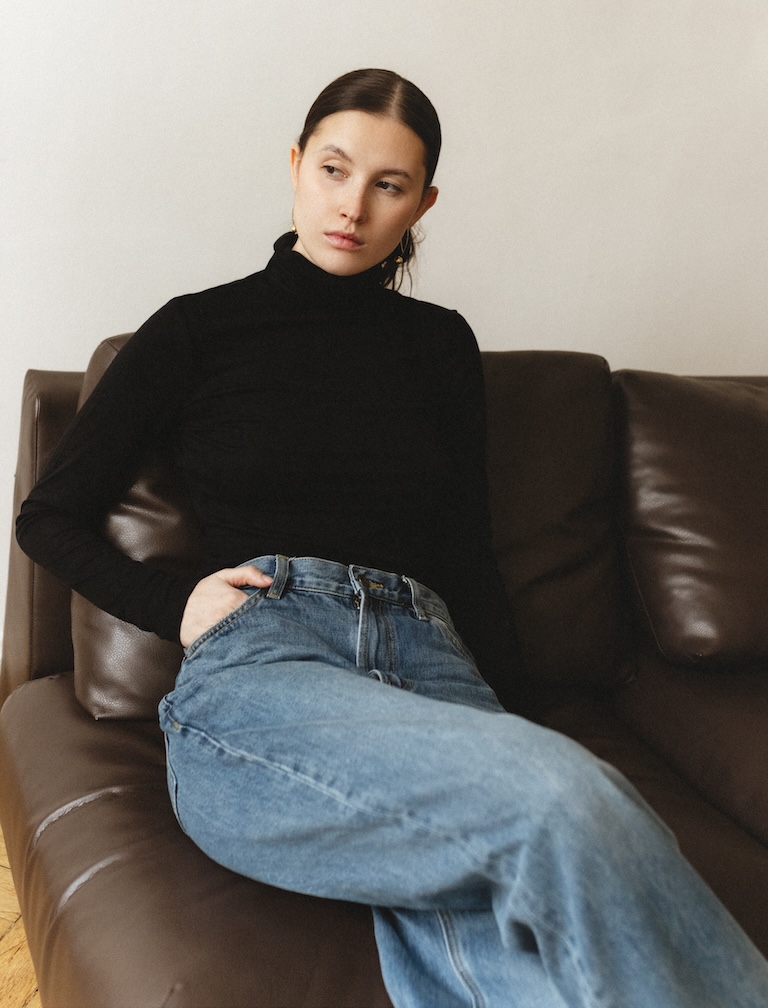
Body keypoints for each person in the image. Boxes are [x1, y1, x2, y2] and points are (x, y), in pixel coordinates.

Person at [16, 68, 768, 1008]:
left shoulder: (439, 343)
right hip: (270, 657)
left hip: (433, 659)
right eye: (334, 170)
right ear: (296, 165)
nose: (353, 206)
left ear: (423, 204)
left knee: (523, 961)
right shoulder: (196, 330)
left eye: (389, 185)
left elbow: (465, 551)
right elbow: (46, 516)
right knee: (565, 800)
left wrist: (513, 729)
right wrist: (177, 605)